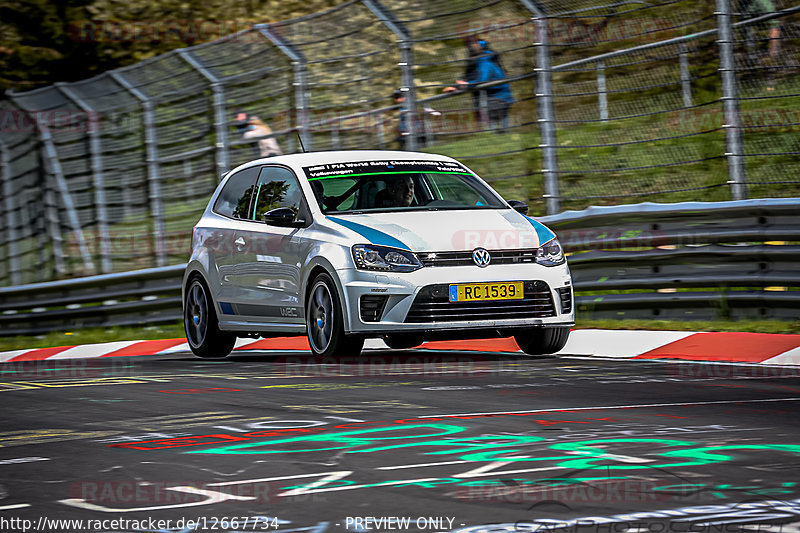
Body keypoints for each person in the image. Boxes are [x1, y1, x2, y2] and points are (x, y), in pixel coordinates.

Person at [453, 37, 513, 132]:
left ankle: (494, 136)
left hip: (497, 95)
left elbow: (482, 80)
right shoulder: (489, 59)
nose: (470, 49)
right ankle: (503, 134)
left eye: (473, 45)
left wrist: (466, 84)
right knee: (502, 118)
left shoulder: (485, 63)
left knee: (494, 119)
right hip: (504, 93)